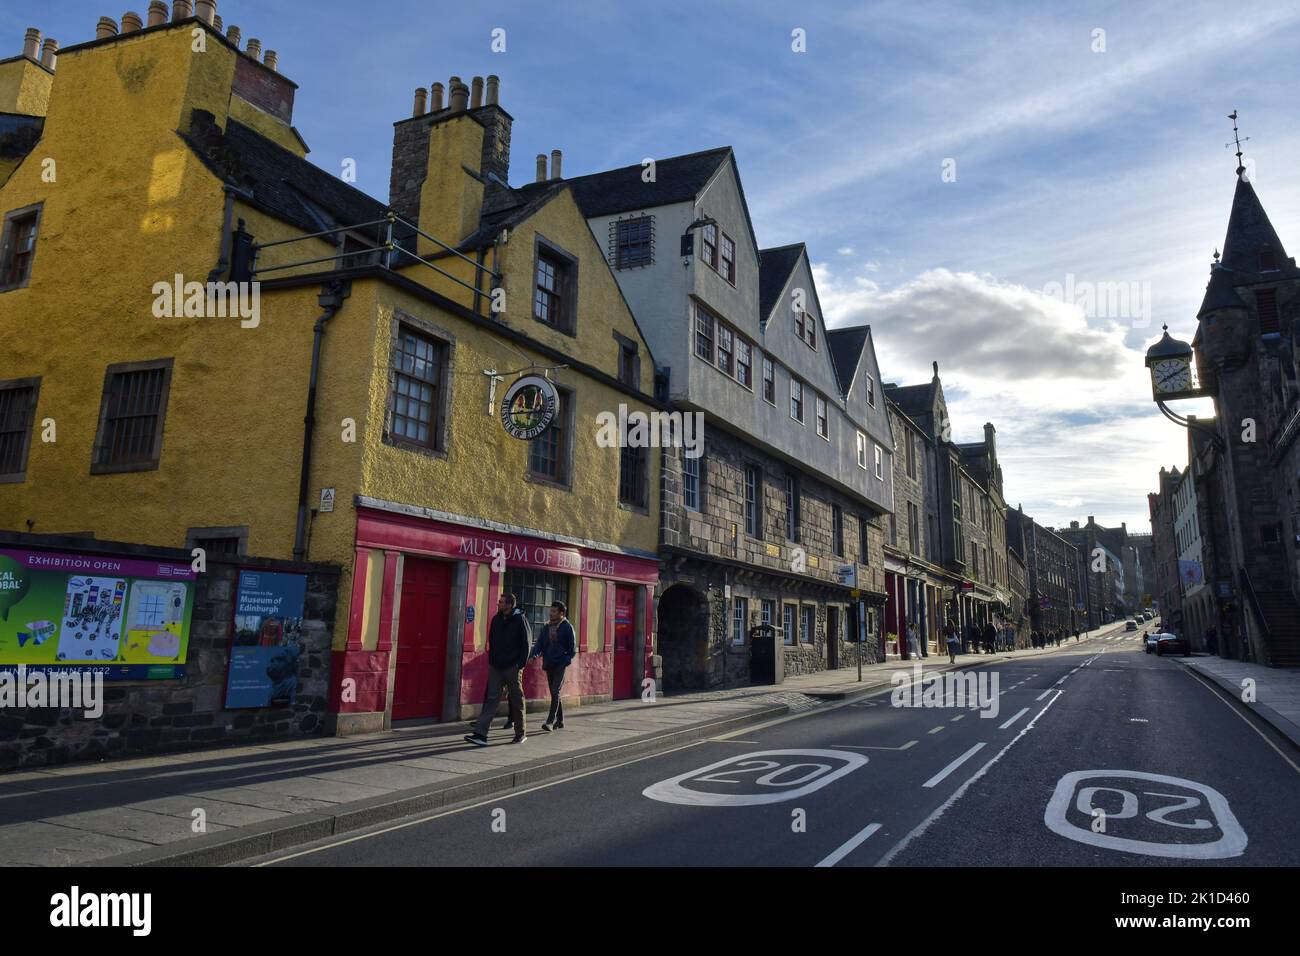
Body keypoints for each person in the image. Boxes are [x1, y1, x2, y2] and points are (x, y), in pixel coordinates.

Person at [465, 592, 532, 746]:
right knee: (492, 698)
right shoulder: (496, 619)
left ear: (509, 604)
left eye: (501, 602)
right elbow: (492, 640)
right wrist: (492, 660)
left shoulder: (520, 620)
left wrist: (519, 664)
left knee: (516, 700)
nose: (498, 604)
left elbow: (527, 644)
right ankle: (481, 734)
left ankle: (520, 733)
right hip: (496, 666)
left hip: (513, 667)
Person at [531, 600, 576, 731]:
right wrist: (534, 655)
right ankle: (560, 720)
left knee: (555, 691)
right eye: (551, 611)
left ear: (561, 614)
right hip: (549, 663)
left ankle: (550, 722)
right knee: (554, 693)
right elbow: (540, 644)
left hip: (560, 665)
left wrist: (565, 661)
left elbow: (572, 649)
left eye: (554, 611)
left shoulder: (567, 627)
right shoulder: (547, 627)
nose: (551, 614)